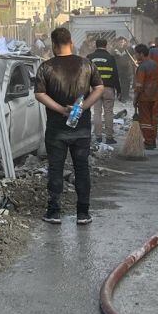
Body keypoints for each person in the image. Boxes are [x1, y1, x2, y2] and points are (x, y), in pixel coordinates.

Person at [34, 26, 106, 225]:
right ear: (71, 43)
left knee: (55, 168)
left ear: (53, 44)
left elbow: (39, 94)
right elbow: (99, 88)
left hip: (56, 130)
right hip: (81, 129)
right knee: (82, 168)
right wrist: (81, 108)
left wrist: (60, 109)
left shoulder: (46, 67)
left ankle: (53, 212)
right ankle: (83, 213)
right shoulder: (86, 64)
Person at [87, 38, 123, 145]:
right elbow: (115, 75)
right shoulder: (111, 58)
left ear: (96, 45)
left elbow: (86, 74)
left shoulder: (89, 57)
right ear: (106, 45)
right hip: (108, 89)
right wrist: (119, 90)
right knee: (108, 112)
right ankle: (109, 137)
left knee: (97, 112)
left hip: (95, 89)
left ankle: (98, 137)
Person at [132, 44, 158, 149]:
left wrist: (135, 98)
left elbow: (139, 85)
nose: (135, 56)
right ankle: (153, 140)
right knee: (154, 120)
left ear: (141, 54)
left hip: (145, 97)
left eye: (136, 53)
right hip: (156, 96)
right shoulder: (155, 64)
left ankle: (148, 142)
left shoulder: (142, 67)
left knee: (145, 120)